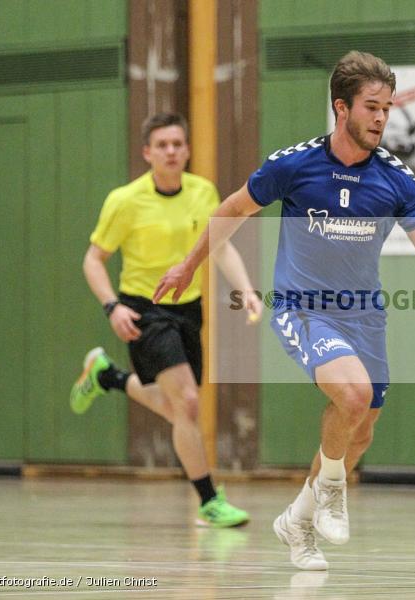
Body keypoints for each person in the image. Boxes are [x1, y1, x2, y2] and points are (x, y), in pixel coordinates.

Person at [153, 52, 415, 569]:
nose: (382, 118)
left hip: (363, 314)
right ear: (341, 108)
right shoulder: (294, 165)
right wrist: (190, 266)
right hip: (302, 306)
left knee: (360, 428)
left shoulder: (398, 180)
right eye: (372, 107)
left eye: (387, 108)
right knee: (353, 394)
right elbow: (232, 209)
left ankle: (298, 523)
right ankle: (331, 490)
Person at [69, 112, 262, 528]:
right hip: (144, 308)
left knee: (181, 408)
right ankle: (209, 501)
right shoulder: (125, 201)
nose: (171, 151)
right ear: (147, 153)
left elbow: (220, 246)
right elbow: (93, 260)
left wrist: (245, 289)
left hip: (188, 309)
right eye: (162, 145)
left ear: (187, 150)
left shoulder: (203, 192)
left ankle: (108, 376)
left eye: (177, 144)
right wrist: (112, 307)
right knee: (187, 404)